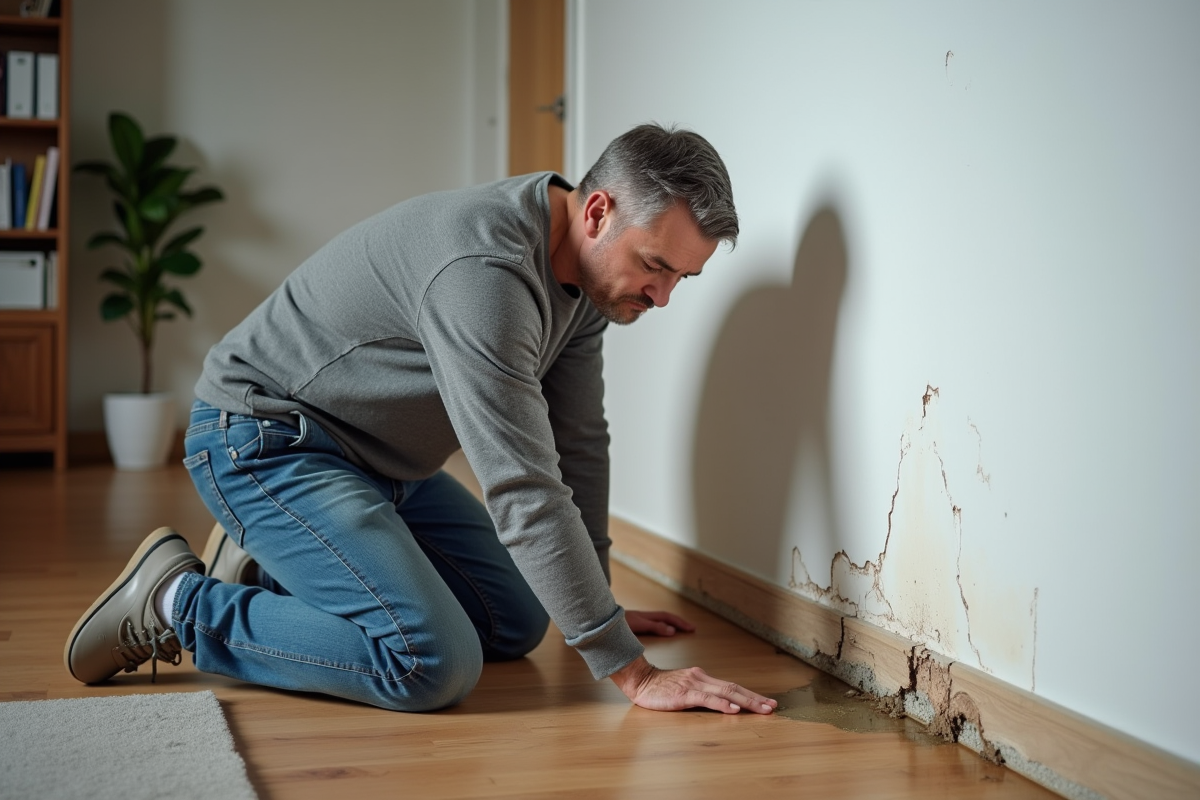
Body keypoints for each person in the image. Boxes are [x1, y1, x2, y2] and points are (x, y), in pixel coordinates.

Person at [65, 123, 778, 717]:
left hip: (378, 464)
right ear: (597, 213)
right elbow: (523, 486)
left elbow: (578, 441)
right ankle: (176, 603)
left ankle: (271, 569)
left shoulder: (589, 286)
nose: (662, 298)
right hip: (265, 440)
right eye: (656, 266)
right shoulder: (486, 274)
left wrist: (599, 600)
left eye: (683, 277)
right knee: (431, 662)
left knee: (521, 618)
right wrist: (632, 671)